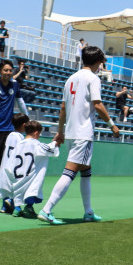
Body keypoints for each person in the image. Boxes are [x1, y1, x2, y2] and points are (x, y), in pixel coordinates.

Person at [39, 46, 120, 224]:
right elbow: (97, 104)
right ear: (98, 62)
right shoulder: (93, 78)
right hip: (83, 133)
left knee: (86, 170)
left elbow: (62, 108)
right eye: (101, 62)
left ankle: (88, 211)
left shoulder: (70, 78)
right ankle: (47, 209)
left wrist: (60, 131)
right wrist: (112, 125)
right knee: (69, 172)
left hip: (71, 133)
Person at [0, 120, 60, 218]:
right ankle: (29, 206)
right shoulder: (36, 144)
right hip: (30, 174)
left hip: (18, 174)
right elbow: (49, 149)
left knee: (18, 192)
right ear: (36, 132)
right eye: (39, 133)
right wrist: (56, 142)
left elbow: (10, 162)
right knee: (33, 188)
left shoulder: (19, 144)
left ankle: (17, 209)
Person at [0, 60, 29, 183]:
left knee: (4, 160)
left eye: (10, 70)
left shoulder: (15, 84)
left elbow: (21, 102)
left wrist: (27, 117)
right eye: (5, 70)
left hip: (9, 130)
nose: (8, 73)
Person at [0, 113, 30, 214]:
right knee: (15, 186)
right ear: (24, 125)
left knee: (6, 185)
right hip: (15, 165)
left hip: (5, 163)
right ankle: (12, 203)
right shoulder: (20, 137)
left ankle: (4, 207)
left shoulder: (9, 135)